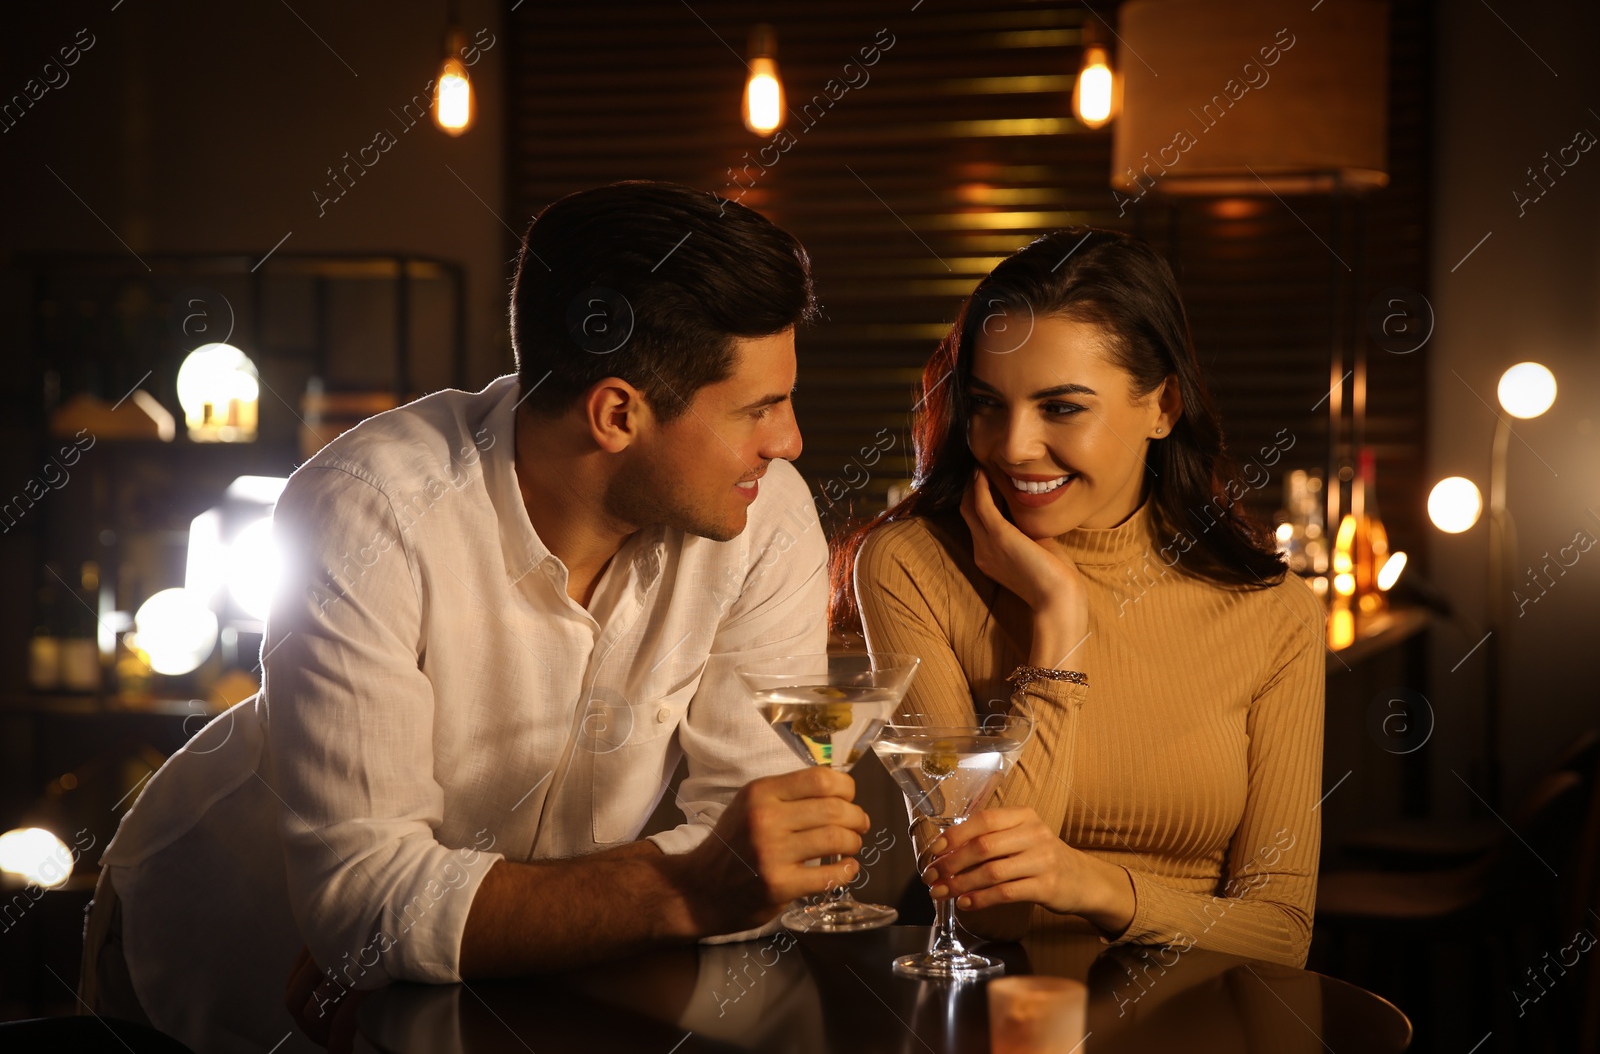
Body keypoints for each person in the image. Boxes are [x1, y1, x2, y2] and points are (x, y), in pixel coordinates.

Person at [79, 181, 874, 1052]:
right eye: (759, 409)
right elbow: (362, 908)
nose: (790, 441)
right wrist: (679, 888)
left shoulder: (766, 514)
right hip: (224, 961)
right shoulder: (367, 510)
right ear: (617, 412)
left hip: (495, 996)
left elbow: (754, 853)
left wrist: (451, 923)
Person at [837, 227, 1324, 968]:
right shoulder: (911, 566)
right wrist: (1058, 616)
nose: (1011, 445)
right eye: (987, 404)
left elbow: (1282, 931)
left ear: (1162, 407)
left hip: (1195, 1022)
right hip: (999, 1022)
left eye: (1061, 407)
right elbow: (990, 911)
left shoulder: (1276, 612)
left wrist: (1092, 885)